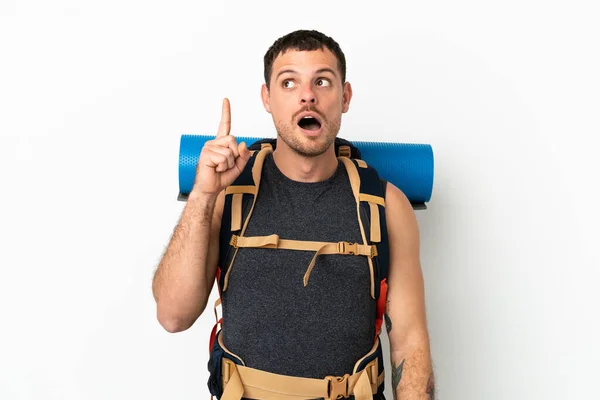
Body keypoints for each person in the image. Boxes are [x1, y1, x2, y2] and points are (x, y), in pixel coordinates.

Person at [152, 29, 435, 400]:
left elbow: (410, 344)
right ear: (267, 98)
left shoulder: (386, 205)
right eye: (289, 83)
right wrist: (203, 196)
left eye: (322, 81)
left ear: (344, 97)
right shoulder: (227, 196)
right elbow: (173, 316)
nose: (307, 95)